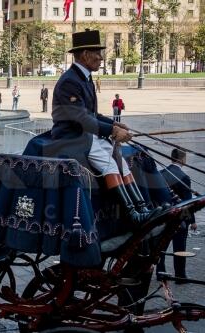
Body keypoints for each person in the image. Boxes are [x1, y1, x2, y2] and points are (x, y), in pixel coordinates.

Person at [50, 29, 160, 225]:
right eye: (98, 53)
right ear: (85, 55)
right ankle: (133, 214)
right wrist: (113, 131)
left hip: (86, 134)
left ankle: (142, 207)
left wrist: (114, 123)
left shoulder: (83, 77)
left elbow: (92, 115)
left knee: (122, 164)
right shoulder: (69, 81)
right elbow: (81, 119)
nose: (101, 58)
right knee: (109, 164)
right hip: (72, 137)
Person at [157, 149, 196, 282]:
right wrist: (192, 221)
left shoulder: (161, 174)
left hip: (164, 216)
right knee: (179, 248)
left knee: (161, 247)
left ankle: (160, 272)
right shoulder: (184, 177)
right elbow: (188, 202)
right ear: (182, 160)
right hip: (179, 218)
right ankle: (180, 275)